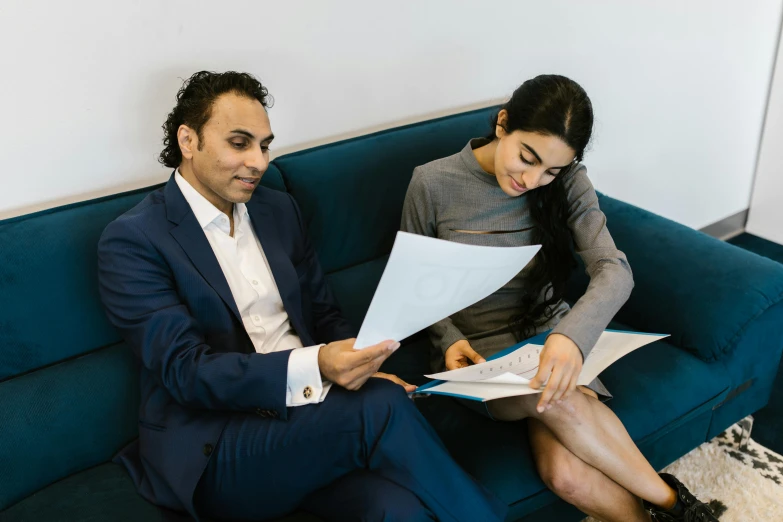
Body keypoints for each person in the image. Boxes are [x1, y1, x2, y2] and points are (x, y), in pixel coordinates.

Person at [98, 70, 506, 522]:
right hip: (217, 445)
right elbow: (186, 372)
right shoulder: (135, 239)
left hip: (314, 418)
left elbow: (324, 313)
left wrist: (361, 367)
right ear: (188, 140)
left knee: (395, 508)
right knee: (381, 408)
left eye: (265, 145)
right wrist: (320, 366)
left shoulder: (277, 209)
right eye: (239, 143)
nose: (258, 161)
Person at [401, 74, 720, 522]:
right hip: (480, 357)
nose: (532, 180)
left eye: (550, 170)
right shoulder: (432, 184)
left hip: (550, 333)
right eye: (526, 158)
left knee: (565, 475)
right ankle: (681, 508)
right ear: (503, 124)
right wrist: (449, 339)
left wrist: (571, 337)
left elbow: (615, 269)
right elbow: (414, 282)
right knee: (553, 392)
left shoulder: (569, 181)